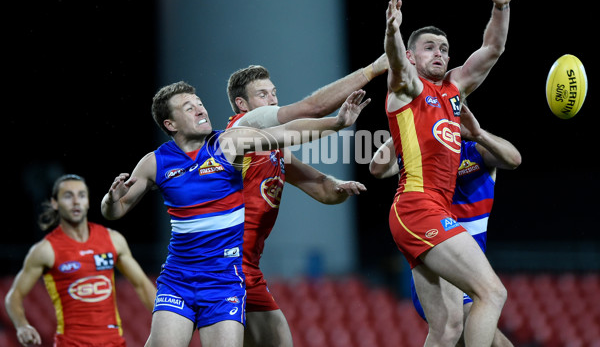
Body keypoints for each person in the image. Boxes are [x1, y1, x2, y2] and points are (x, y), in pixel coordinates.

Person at [100, 81, 369, 347]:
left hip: (224, 281)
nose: (200, 110)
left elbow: (285, 132)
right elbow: (116, 210)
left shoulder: (227, 143)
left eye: (200, 104)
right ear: (170, 124)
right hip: (178, 279)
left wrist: (336, 123)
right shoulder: (154, 162)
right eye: (188, 108)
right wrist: (111, 199)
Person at [382, 0, 523, 346]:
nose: (439, 53)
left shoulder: (454, 91)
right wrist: (393, 33)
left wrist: (500, 8)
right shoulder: (408, 88)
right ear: (413, 56)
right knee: (492, 293)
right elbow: (396, 66)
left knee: (446, 330)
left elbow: (492, 50)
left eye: (444, 48)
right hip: (417, 207)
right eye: (430, 47)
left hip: (430, 211)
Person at [225, 56, 388, 347]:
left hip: (247, 266)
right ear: (242, 105)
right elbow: (311, 109)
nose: (273, 100)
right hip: (226, 262)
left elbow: (320, 188)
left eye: (274, 93)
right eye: (263, 95)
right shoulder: (239, 131)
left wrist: (339, 187)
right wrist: (372, 70)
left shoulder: (273, 151)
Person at [370, 104, 521, 347]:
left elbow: (514, 159)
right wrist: (410, 125)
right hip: (439, 262)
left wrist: (478, 132)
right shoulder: (421, 155)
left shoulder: (477, 152)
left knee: (489, 340)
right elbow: (377, 168)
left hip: (467, 269)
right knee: (469, 326)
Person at [4, 174, 156, 347]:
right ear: (55, 203)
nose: (76, 201)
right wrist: (22, 326)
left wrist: (164, 319)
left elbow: (142, 285)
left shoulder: (113, 240)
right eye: (68, 196)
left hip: (113, 343)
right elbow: (13, 296)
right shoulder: (45, 250)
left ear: (88, 201)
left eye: (81, 195)